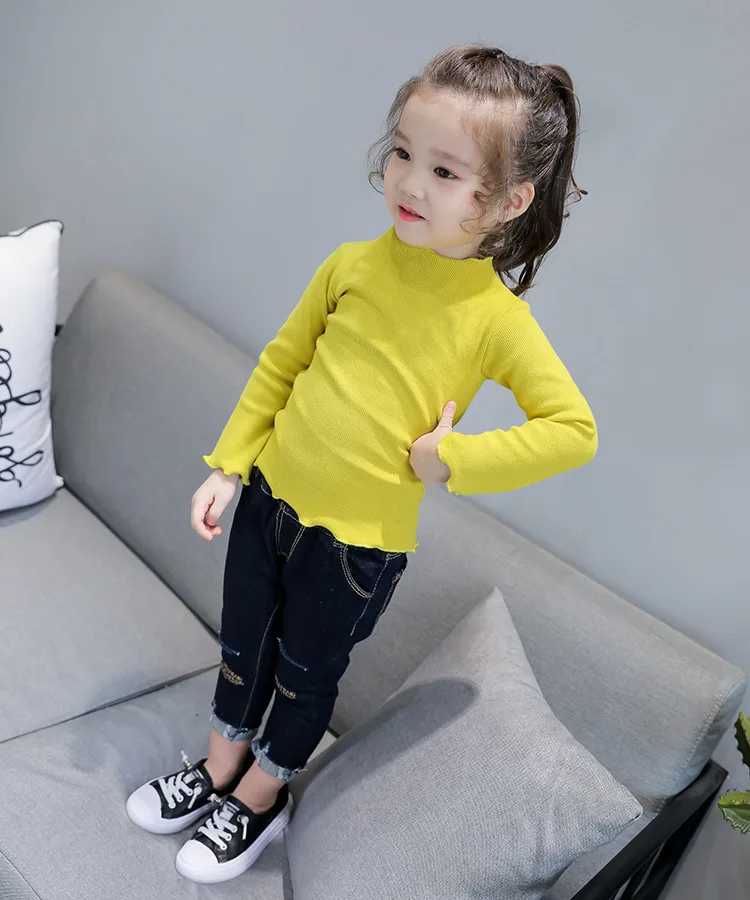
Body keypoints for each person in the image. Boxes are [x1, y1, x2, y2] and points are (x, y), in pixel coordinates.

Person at [126, 42, 598, 884]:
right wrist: (228, 466)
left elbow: (573, 430)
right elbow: (282, 366)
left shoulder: (496, 322)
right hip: (267, 501)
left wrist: (453, 459)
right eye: (404, 154)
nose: (410, 182)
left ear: (509, 200)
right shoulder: (351, 264)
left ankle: (260, 798)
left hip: (353, 549)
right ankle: (219, 767)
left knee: (304, 678)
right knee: (242, 645)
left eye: (445, 172)